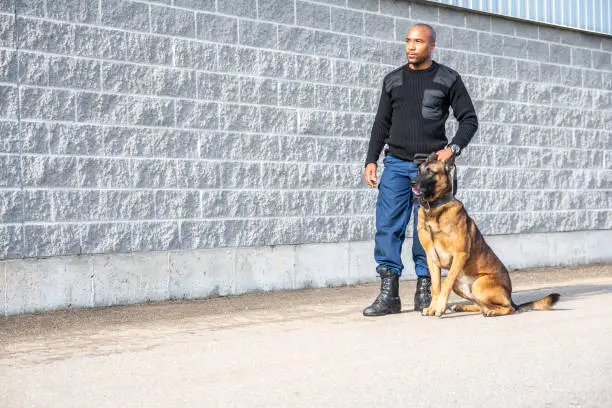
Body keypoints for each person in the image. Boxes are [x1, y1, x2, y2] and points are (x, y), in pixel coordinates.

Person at [362, 24, 478, 316]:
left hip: (431, 173)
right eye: (408, 41)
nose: (410, 47)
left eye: (418, 42)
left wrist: (452, 149)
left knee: (429, 229)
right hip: (397, 166)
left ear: (432, 46)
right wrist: (371, 160)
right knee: (387, 226)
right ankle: (389, 294)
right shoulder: (393, 80)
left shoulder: (448, 79)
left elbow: (469, 120)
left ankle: (426, 288)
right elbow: (381, 124)